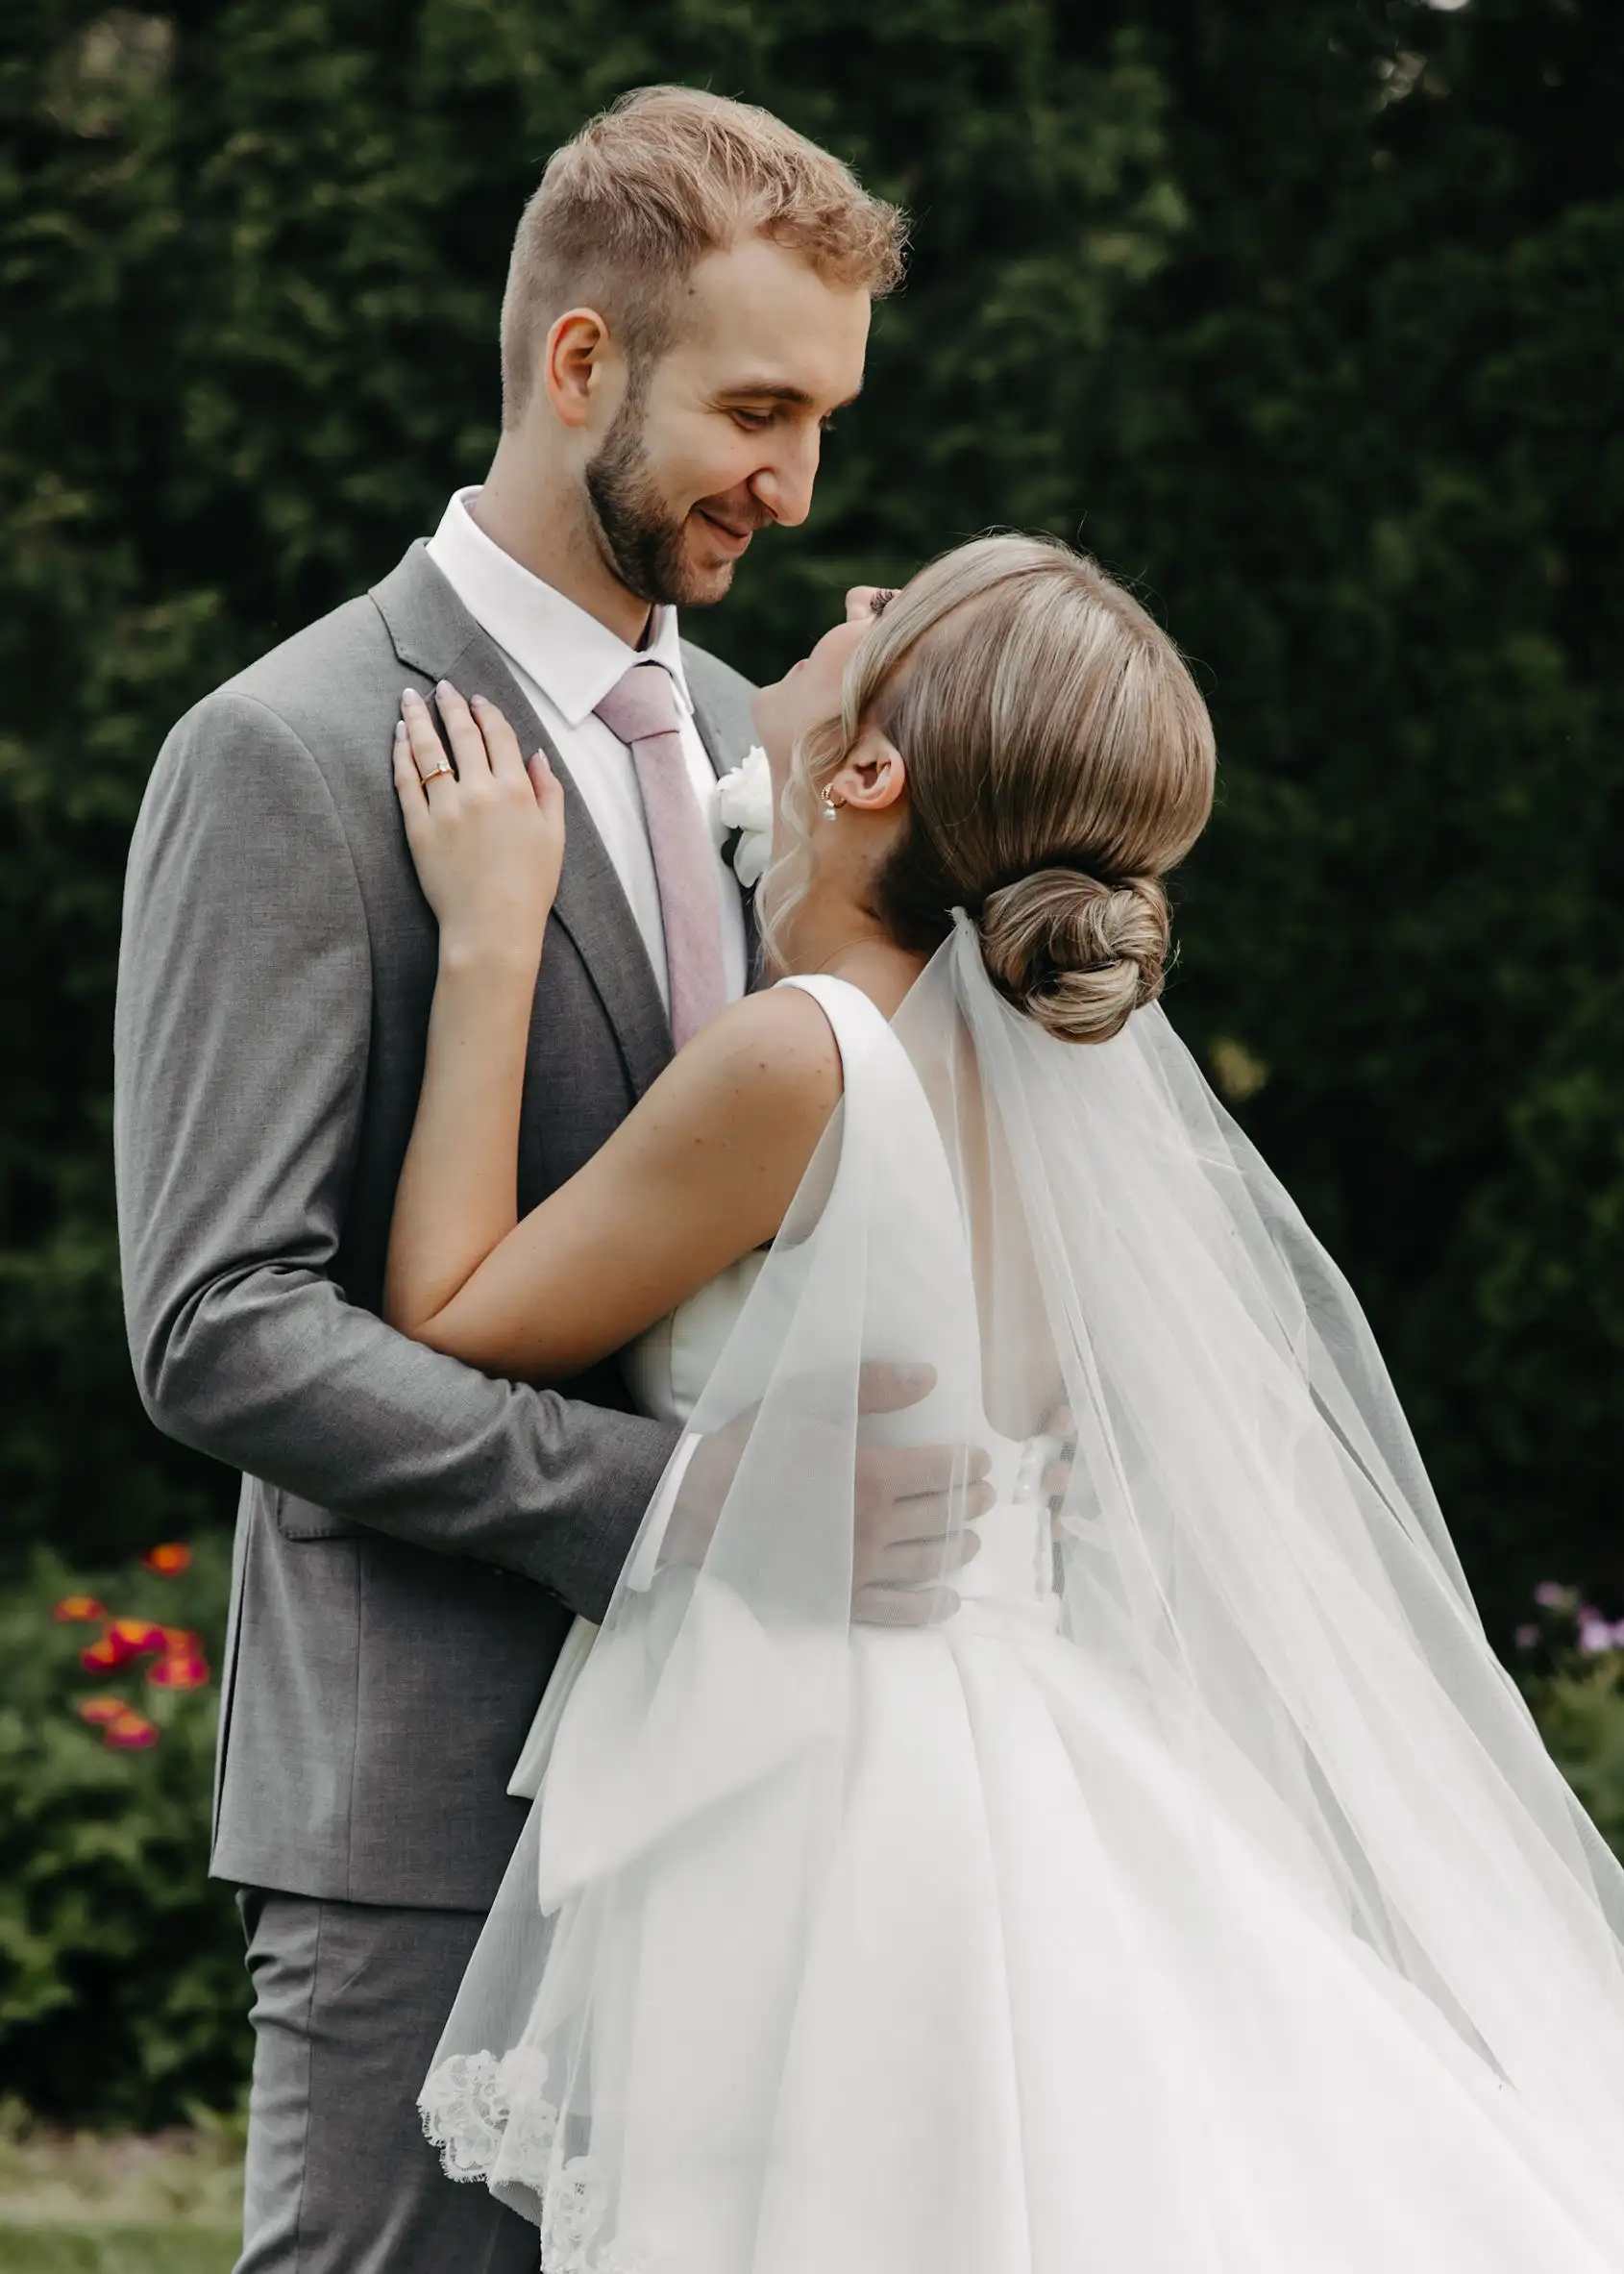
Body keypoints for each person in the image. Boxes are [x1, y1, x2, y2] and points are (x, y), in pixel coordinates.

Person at [387, 533, 1624, 2271]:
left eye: (884, 614)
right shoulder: (1045, 1077)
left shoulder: (799, 1054)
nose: (848, 606)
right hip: (1022, 1734)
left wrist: (491, 942)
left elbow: (450, 1316)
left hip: (822, 1766)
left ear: (876, 766)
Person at [113, 86, 963, 2274]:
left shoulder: (770, 749)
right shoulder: (288, 751)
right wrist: (681, 1513)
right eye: (754, 408)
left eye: (826, 419)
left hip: (760, 1786)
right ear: (580, 363)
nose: (792, 484)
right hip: (435, 1803)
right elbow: (218, 1324)